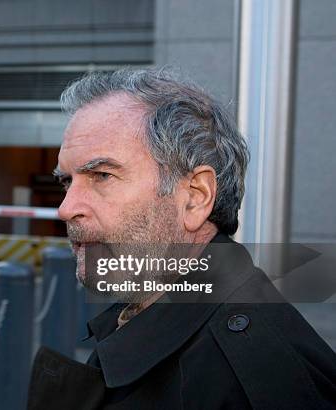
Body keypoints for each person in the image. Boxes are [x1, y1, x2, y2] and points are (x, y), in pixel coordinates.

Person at [27, 68, 336, 409]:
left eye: (102, 175)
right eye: (67, 181)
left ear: (195, 196)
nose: (66, 208)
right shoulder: (148, 311)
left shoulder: (256, 383)